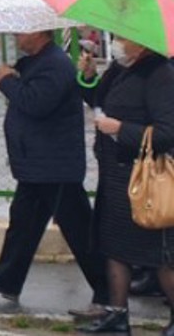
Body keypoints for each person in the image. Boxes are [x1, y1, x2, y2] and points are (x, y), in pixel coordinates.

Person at [0, 30, 108, 312]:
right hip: (37, 164)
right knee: (23, 224)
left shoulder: (55, 64)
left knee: (79, 229)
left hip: (54, 165)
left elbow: (36, 103)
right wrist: (14, 72)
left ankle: (106, 295)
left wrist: (5, 81)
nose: (16, 36)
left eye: (21, 32)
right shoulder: (37, 61)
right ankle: (7, 280)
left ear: (39, 32)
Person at [74, 37, 174, 334]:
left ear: (141, 42)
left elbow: (168, 132)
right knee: (115, 248)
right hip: (116, 178)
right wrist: (89, 77)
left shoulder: (160, 74)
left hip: (144, 179)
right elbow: (100, 104)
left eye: (121, 38)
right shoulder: (120, 69)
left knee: (160, 256)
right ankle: (117, 317)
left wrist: (121, 129)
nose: (116, 43)